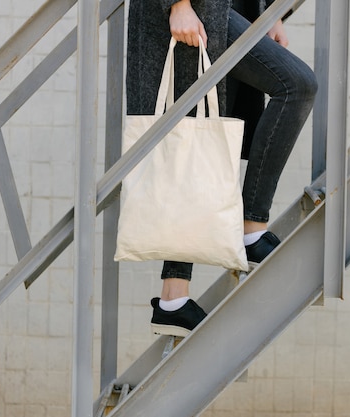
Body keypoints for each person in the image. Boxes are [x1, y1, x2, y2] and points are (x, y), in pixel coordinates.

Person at [126, 0, 318, 337]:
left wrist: (266, 13)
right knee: (296, 85)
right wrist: (178, 3)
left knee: (200, 143)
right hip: (195, 9)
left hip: (223, 9)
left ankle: (173, 299)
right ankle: (251, 229)